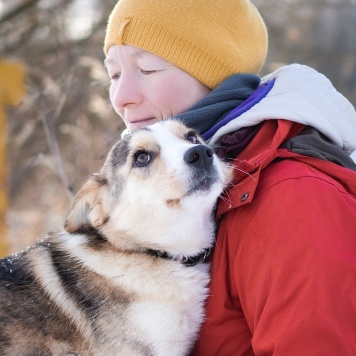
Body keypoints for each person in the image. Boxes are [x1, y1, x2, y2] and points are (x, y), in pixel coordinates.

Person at [103, 0, 356, 354]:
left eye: (147, 69)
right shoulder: (185, 192)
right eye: (114, 74)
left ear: (214, 75)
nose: (121, 97)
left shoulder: (294, 197)